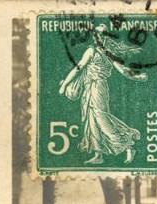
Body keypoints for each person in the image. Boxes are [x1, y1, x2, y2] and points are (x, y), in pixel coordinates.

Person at [57, 24, 144, 165]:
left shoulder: (107, 53)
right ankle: (98, 155)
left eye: (102, 34)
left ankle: (127, 144)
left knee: (101, 117)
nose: (99, 36)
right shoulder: (92, 50)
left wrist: (137, 77)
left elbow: (122, 70)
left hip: (98, 87)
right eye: (97, 34)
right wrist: (65, 84)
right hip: (89, 87)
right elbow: (78, 68)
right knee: (91, 120)